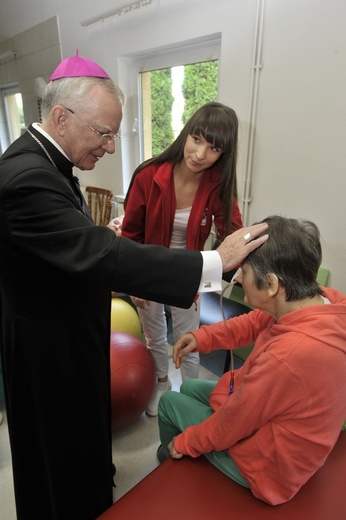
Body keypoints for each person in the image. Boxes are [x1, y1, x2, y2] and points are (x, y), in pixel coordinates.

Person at [0, 52, 268, 520]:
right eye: (103, 134)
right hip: (51, 350)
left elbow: (74, 244)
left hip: (75, 330)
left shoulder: (48, 162)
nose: (108, 148)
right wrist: (213, 261)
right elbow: (104, 253)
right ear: (62, 117)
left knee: (81, 441)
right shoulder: (26, 178)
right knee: (58, 455)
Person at [157, 215, 346, 506]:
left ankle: (169, 465)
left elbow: (232, 424)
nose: (238, 278)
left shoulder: (289, 357)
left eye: (243, 271)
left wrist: (185, 443)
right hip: (279, 423)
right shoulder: (324, 301)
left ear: (271, 284)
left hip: (269, 467)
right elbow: (252, 323)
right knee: (192, 387)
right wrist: (201, 338)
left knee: (170, 403)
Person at [121, 102, 243, 416]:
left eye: (214, 147)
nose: (201, 153)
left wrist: (242, 266)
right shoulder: (149, 174)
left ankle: (190, 393)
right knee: (154, 335)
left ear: (223, 154)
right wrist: (131, 280)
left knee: (191, 339)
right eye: (197, 139)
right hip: (148, 271)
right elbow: (130, 234)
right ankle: (160, 382)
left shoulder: (217, 184)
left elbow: (233, 231)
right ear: (186, 134)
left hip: (189, 272)